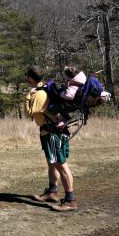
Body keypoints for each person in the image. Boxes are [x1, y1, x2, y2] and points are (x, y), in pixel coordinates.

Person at [24, 65, 78, 211]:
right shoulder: (45, 89)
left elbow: (30, 113)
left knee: (61, 164)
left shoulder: (38, 94)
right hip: (51, 131)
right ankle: (52, 192)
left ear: (30, 78)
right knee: (52, 162)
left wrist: (27, 97)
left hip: (53, 133)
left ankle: (70, 200)